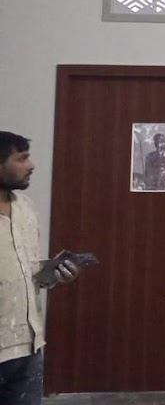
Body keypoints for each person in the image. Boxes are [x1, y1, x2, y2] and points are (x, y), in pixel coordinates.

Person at [0, 131, 79, 405]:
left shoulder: (26, 208)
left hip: (28, 347)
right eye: (22, 158)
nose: (31, 165)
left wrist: (53, 275)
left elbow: (26, 271)